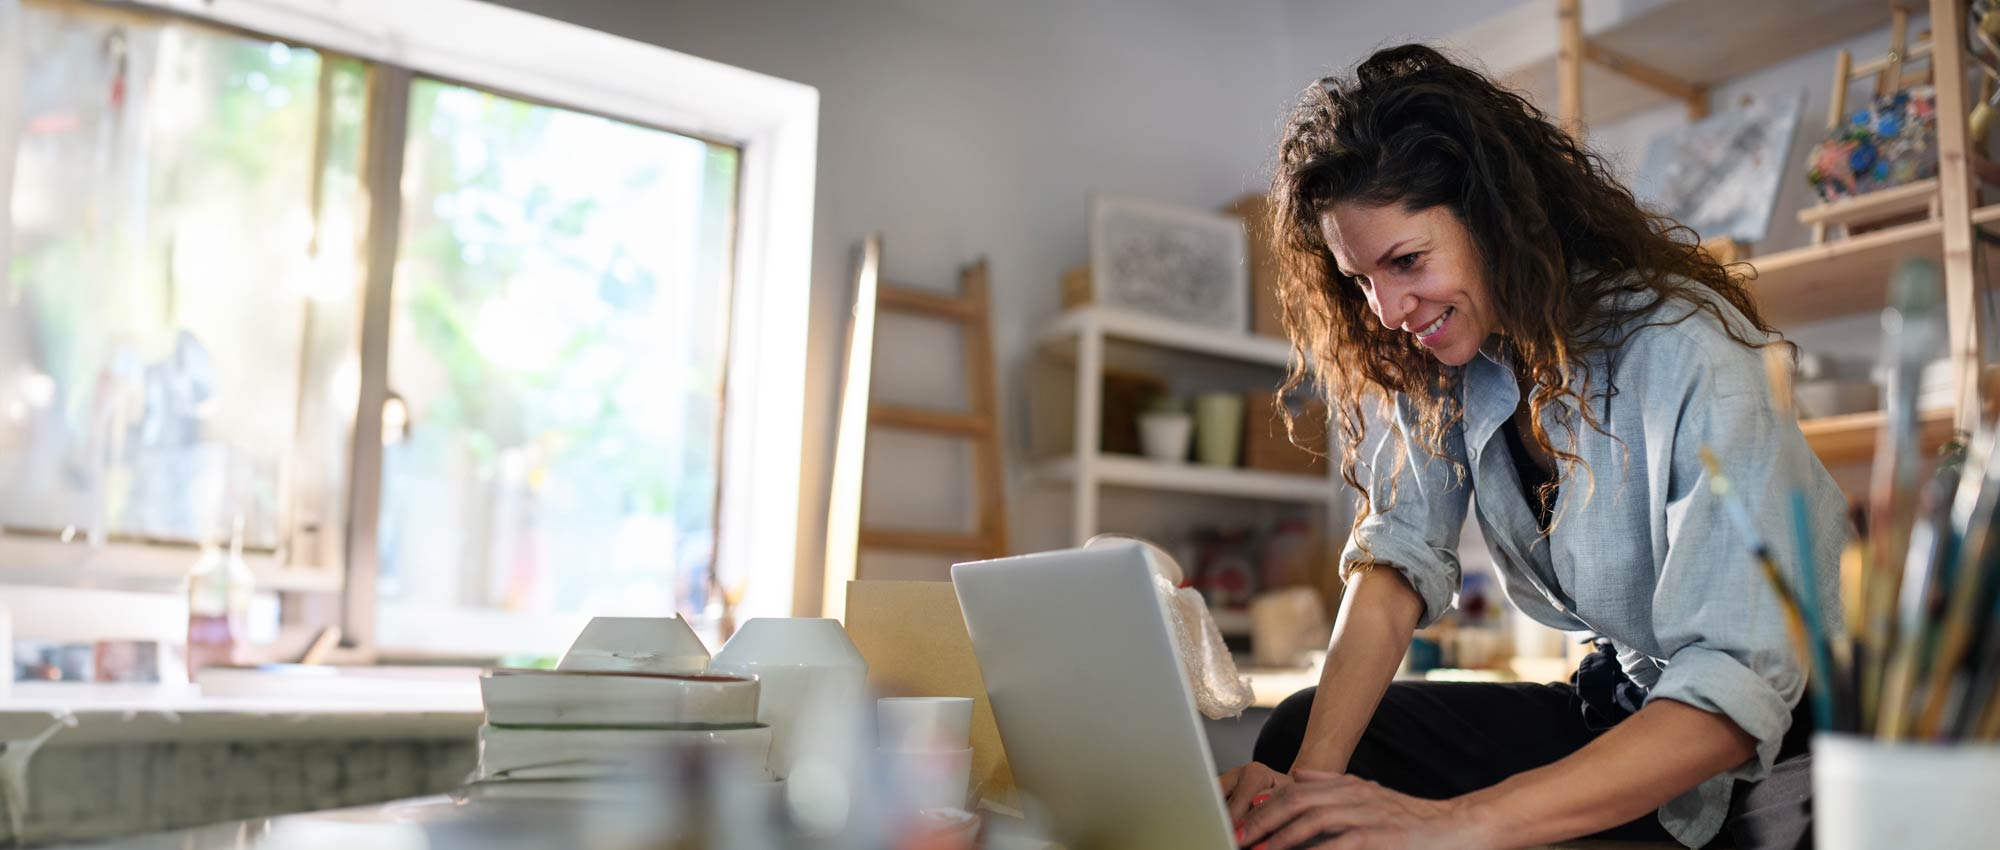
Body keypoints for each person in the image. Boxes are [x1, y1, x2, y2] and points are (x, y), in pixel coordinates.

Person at [1221, 44, 1842, 850]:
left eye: (1407, 262)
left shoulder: (1688, 349)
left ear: (1494, 221)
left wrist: (1452, 824)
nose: (1385, 310)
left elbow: (1734, 691)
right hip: (1624, 708)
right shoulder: (1448, 354)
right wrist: (1310, 794)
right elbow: (1395, 560)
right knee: (1304, 739)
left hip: (1773, 748)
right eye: (1360, 280)